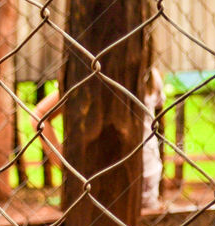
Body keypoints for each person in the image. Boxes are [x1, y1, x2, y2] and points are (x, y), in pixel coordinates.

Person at [33, 67, 165, 208]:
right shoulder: (91, 77)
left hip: (140, 179)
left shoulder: (149, 75)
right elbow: (39, 117)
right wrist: (65, 166)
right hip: (111, 181)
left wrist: (66, 167)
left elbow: (39, 115)